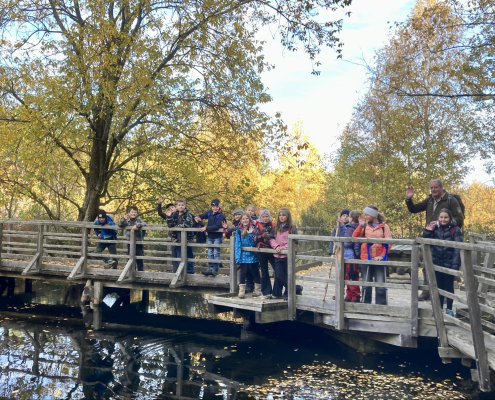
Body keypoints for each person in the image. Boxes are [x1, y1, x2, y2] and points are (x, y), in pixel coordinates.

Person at [405, 179, 464, 301]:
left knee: (444, 265)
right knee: (427, 263)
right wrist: (409, 199)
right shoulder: (429, 200)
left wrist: (442, 222)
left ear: (441, 188)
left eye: (435, 187)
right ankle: (427, 292)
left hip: (445, 238)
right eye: (431, 188)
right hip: (430, 236)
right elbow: (414, 209)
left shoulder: (451, 200)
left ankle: (445, 295)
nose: (433, 190)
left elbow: (459, 219)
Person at [423, 209, 463, 316]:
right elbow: (425, 240)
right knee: (439, 286)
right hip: (437, 262)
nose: (443, 219)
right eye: (441, 217)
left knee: (449, 287)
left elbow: (458, 249)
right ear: (438, 217)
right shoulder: (435, 228)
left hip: (449, 262)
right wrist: (427, 230)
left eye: (446, 217)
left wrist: (455, 265)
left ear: (450, 218)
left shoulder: (455, 230)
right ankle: (439, 308)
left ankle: (449, 309)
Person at [352, 205, 392, 305]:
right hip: (366, 257)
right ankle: (366, 305)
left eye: (367, 215)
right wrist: (360, 226)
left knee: (380, 284)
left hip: (380, 259)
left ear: (373, 215)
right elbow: (354, 237)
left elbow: (388, 242)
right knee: (366, 283)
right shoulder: (364, 226)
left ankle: (381, 306)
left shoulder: (384, 227)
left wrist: (382, 256)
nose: (365, 217)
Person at [269, 208, 302, 300]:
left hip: (288, 255)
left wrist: (282, 248)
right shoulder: (276, 227)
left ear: (287, 216)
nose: (281, 217)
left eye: (283, 215)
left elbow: (295, 241)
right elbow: (271, 239)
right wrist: (276, 246)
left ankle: (288, 294)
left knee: (288, 274)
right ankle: (296, 288)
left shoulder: (292, 228)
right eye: (280, 215)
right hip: (277, 255)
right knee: (279, 275)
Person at [195, 199, 226, 276]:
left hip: (217, 237)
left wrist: (206, 228)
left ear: (219, 207)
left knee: (216, 253)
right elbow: (202, 215)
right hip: (210, 237)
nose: (215, 208)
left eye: (216, 206)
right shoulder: (209, 213)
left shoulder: (221, 216)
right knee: (210, 253)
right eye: (213, 206)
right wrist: (197, 217)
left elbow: (217, 226)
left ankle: (215, 269)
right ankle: (210, 268)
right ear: (211, 207)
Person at [165, 198, 195, 274]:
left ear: (185, 206)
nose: (181, 206)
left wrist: (176, 227)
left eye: (182, 205)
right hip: (177, 240)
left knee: (188, 257)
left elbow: (187, 224)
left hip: (187, 240)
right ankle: (181, 273)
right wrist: (169, 217)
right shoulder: (175, 214)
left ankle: (189, 273)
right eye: (179, 205)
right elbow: (170, 225)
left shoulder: (188, 214)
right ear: (176, 206)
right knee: (179, 258)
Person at [234, 213, 261, 298]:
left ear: (249, 220)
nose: (245, 220)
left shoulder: (254, 229)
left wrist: (250, 234)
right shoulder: (238, 231)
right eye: (243, 219)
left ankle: (257, 290)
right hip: (243, 255)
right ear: (241, 220)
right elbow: (237, 244)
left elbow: (253, 243)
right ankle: (241, 291)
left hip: (253, 254)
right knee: (243, 272)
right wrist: (237, 257)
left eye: (246, 219)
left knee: (255, 271)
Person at [253, 209, 276, 297]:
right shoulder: (258, 226)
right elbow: (254, 238)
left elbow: (275, 236)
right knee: (264, 271)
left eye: (267, 216)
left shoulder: (273, 225)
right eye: (263, 217)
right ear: (260, 217)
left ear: (269, 217)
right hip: (261, 251)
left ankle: (276, 290)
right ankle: (266, 291)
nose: (265, 218)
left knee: (277, 270)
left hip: (272, 250)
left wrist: (269, 238)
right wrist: (262, 236)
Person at [118, 205, 147, 272]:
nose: (133, 213)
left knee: (139, 258)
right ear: (129, 213)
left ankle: (140, 272)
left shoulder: (139, 220)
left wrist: (137, 225)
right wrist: (124, 218)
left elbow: (144, 224)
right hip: (130, 243)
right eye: (132, 212)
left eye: (135, 212)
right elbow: (120, 225)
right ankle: (132, 272)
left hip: (138, 243)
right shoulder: (127, 221)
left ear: (137, 213)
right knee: (131, 257)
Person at [343, 210, 362, 302]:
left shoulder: (351, 228)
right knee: (349, 275)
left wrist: (340, 242)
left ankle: (355, 295)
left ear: (351, 218)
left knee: (351, 276)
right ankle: (349, 295)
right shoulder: (358, 227)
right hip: (353, 255)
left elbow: (348, 242)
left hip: (350, 256)